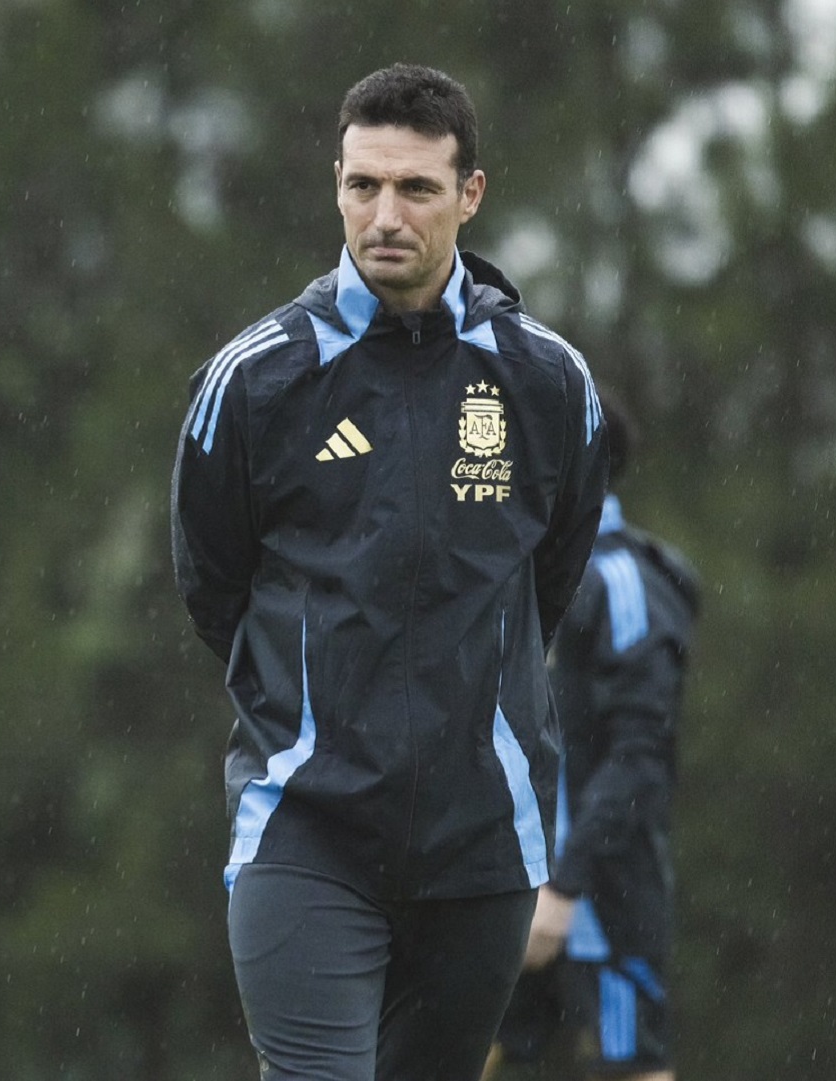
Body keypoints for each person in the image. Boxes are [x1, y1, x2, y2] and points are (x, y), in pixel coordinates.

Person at [170, 63, 609, 1081]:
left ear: (471, 195)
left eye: (415, 188)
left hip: (483, 844)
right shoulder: (255, 380)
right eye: (363, 185)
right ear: (336, 185)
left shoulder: (546, 380)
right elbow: (214, 584)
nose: (385, 215)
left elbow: (552, 575)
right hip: (307, 828)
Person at [485, 396, 699, 1081]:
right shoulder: (514, 578)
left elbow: (639, 759)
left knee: (631, 1067)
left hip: (598, 900)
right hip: (503, 890)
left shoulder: (625, 582)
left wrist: (565, 887)